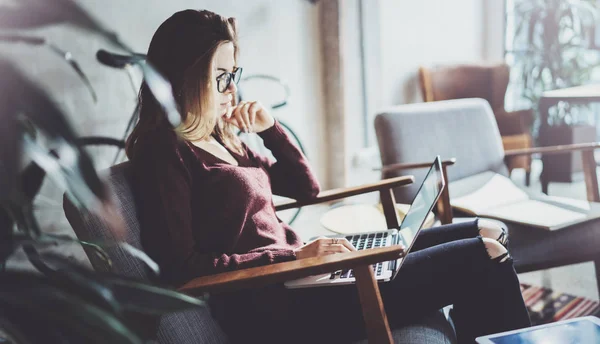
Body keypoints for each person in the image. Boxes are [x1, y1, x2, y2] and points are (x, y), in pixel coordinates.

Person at [127, 9, 531, 344]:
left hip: (309, 275)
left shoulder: (224, 138)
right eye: (221, 76)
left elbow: (306, 188)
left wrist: (270, 128)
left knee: (489, 232)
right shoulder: (165, 155)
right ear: (185, 78)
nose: (232, 89)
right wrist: (294, 257)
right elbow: (183, 266)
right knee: (484, 256)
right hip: (283, 304)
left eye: (235, 73)